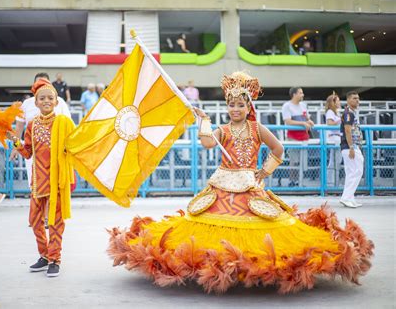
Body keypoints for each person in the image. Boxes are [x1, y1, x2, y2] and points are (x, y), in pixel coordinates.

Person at [107, 71, 373, 294]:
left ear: (249, 107)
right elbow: (208, 143)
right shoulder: (222, 129)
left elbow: (278, 149)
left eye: (240, 105)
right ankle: (223, 268)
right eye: (231, 105)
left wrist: (264, 171)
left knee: (261, 233)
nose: (235, 109)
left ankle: (249, 267)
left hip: (250, 186)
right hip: (222, 186)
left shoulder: (258, 129)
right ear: (227, 106)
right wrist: (205, 122)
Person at [7, 78, 75, 277]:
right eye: (42, 98)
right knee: (35, 221)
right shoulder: (32, 125)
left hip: (57, 181)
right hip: (38, 180)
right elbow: (28, 152)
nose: (46, 101)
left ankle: (55, 259)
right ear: (35, 103)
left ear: (56, 102)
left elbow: (75, 146)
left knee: (55, 222)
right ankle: (44, 255)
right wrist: (16, 143)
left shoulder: (64, 122)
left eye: (50, 98)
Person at [10, 72, 71, 188]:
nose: (41, 85)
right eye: (38, 83)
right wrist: (15, 147)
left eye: (44, 83)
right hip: (33, 151)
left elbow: (68, 127)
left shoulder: (60, 102)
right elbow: (18, 128)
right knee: (35, 186)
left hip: (55, 151)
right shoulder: (27, 104)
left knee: (55, 187)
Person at [281, 87, 314, 187]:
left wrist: (309, 121)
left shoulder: (303, 105)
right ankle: (292, 181)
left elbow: (306, 118)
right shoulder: (287, 106)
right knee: (294, 161)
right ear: (294, 94)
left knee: (303, 162)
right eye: (300, 93)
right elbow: (288, 121)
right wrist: (303, 123)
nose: (302, 95)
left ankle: (300, 182)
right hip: (293, 137)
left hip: (304, 137)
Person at [340, 91, 364, 208]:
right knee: (357, 171)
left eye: (358, 98)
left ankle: (349, 198)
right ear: (348, 100)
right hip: (350, 146)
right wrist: (351, 147)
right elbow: (348, 130)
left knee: (351, 173)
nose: (357, 100)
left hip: (351, 146)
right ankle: (346, 197)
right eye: (354, 98)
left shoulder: (352, 113)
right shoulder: (349, 113)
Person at [325, 92, 342, 186]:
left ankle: (335, 182)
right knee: (334, 162)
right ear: (333, 102)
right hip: (334, 139)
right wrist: (340, 120)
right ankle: (331, 183)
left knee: (337, 162)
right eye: (338, 101)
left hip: (338, 138)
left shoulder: (336, 112)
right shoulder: (330, 112)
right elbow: (330, 123)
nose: (339, 103)